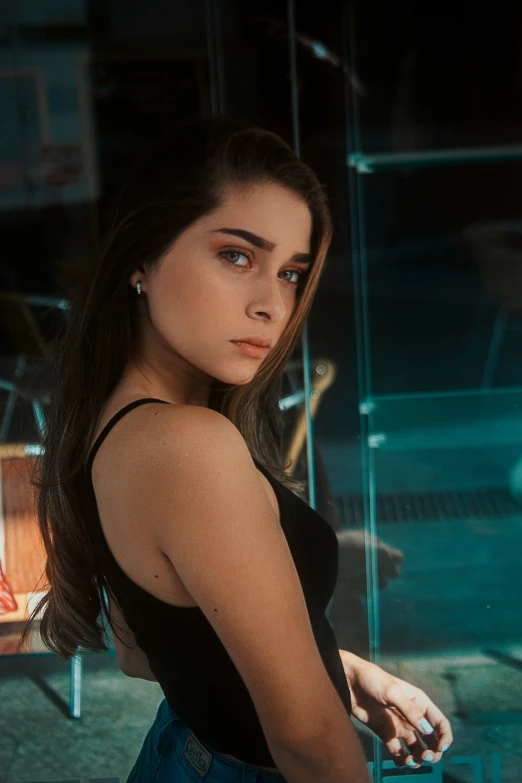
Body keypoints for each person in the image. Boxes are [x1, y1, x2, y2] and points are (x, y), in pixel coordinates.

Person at [21, 117, 452, 782]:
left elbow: (156, 650)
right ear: (143, 256)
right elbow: (308, 741)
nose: (271, 304)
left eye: (290, 272)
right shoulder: (187, 446)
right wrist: (316, 707)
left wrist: (340, 675)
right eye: (236, 255)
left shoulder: (116, 424)